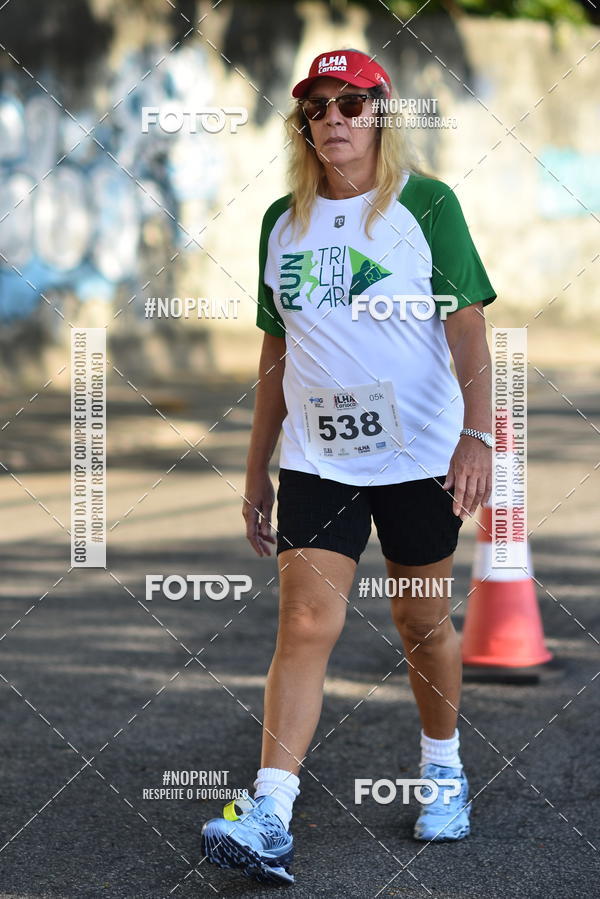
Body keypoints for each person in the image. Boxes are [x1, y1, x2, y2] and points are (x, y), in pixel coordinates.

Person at [202, 48, 496, 885]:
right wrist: (257, 469)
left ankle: (443, 769)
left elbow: (468, 327)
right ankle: (269, 810)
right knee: (303, 624)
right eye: (317, 106)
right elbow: (275, 354)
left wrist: (479, 437)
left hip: (418, 455)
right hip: (318, 458)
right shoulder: (279, 222)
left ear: (379, 115)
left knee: (421, 623)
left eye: (351, 104)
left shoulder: (426, 204)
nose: (333, 117)